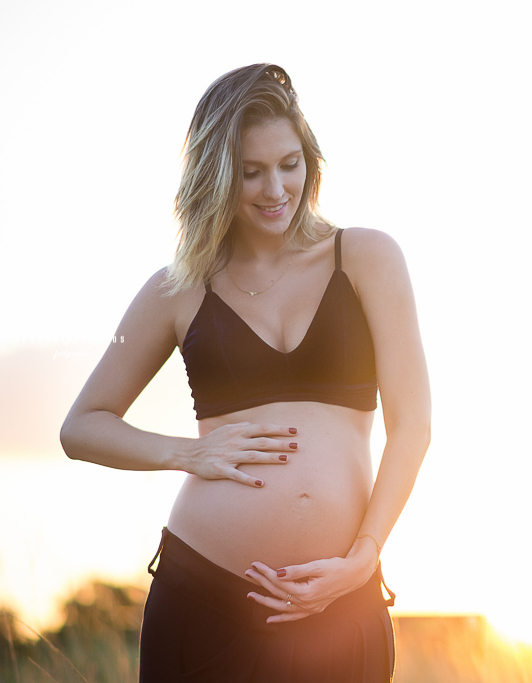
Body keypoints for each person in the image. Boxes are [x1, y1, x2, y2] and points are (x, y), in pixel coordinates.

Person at [60, 64, 430, 681]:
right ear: (218, 178)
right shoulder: (177, 288)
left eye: (289, 163)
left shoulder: (367, 257)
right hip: (201, 595)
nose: (275, 189)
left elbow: (413, 426)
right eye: (250, 173)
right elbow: (82, 427)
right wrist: (187, 453)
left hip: (341, 595)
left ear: (309, 157)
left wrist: (364, 560)